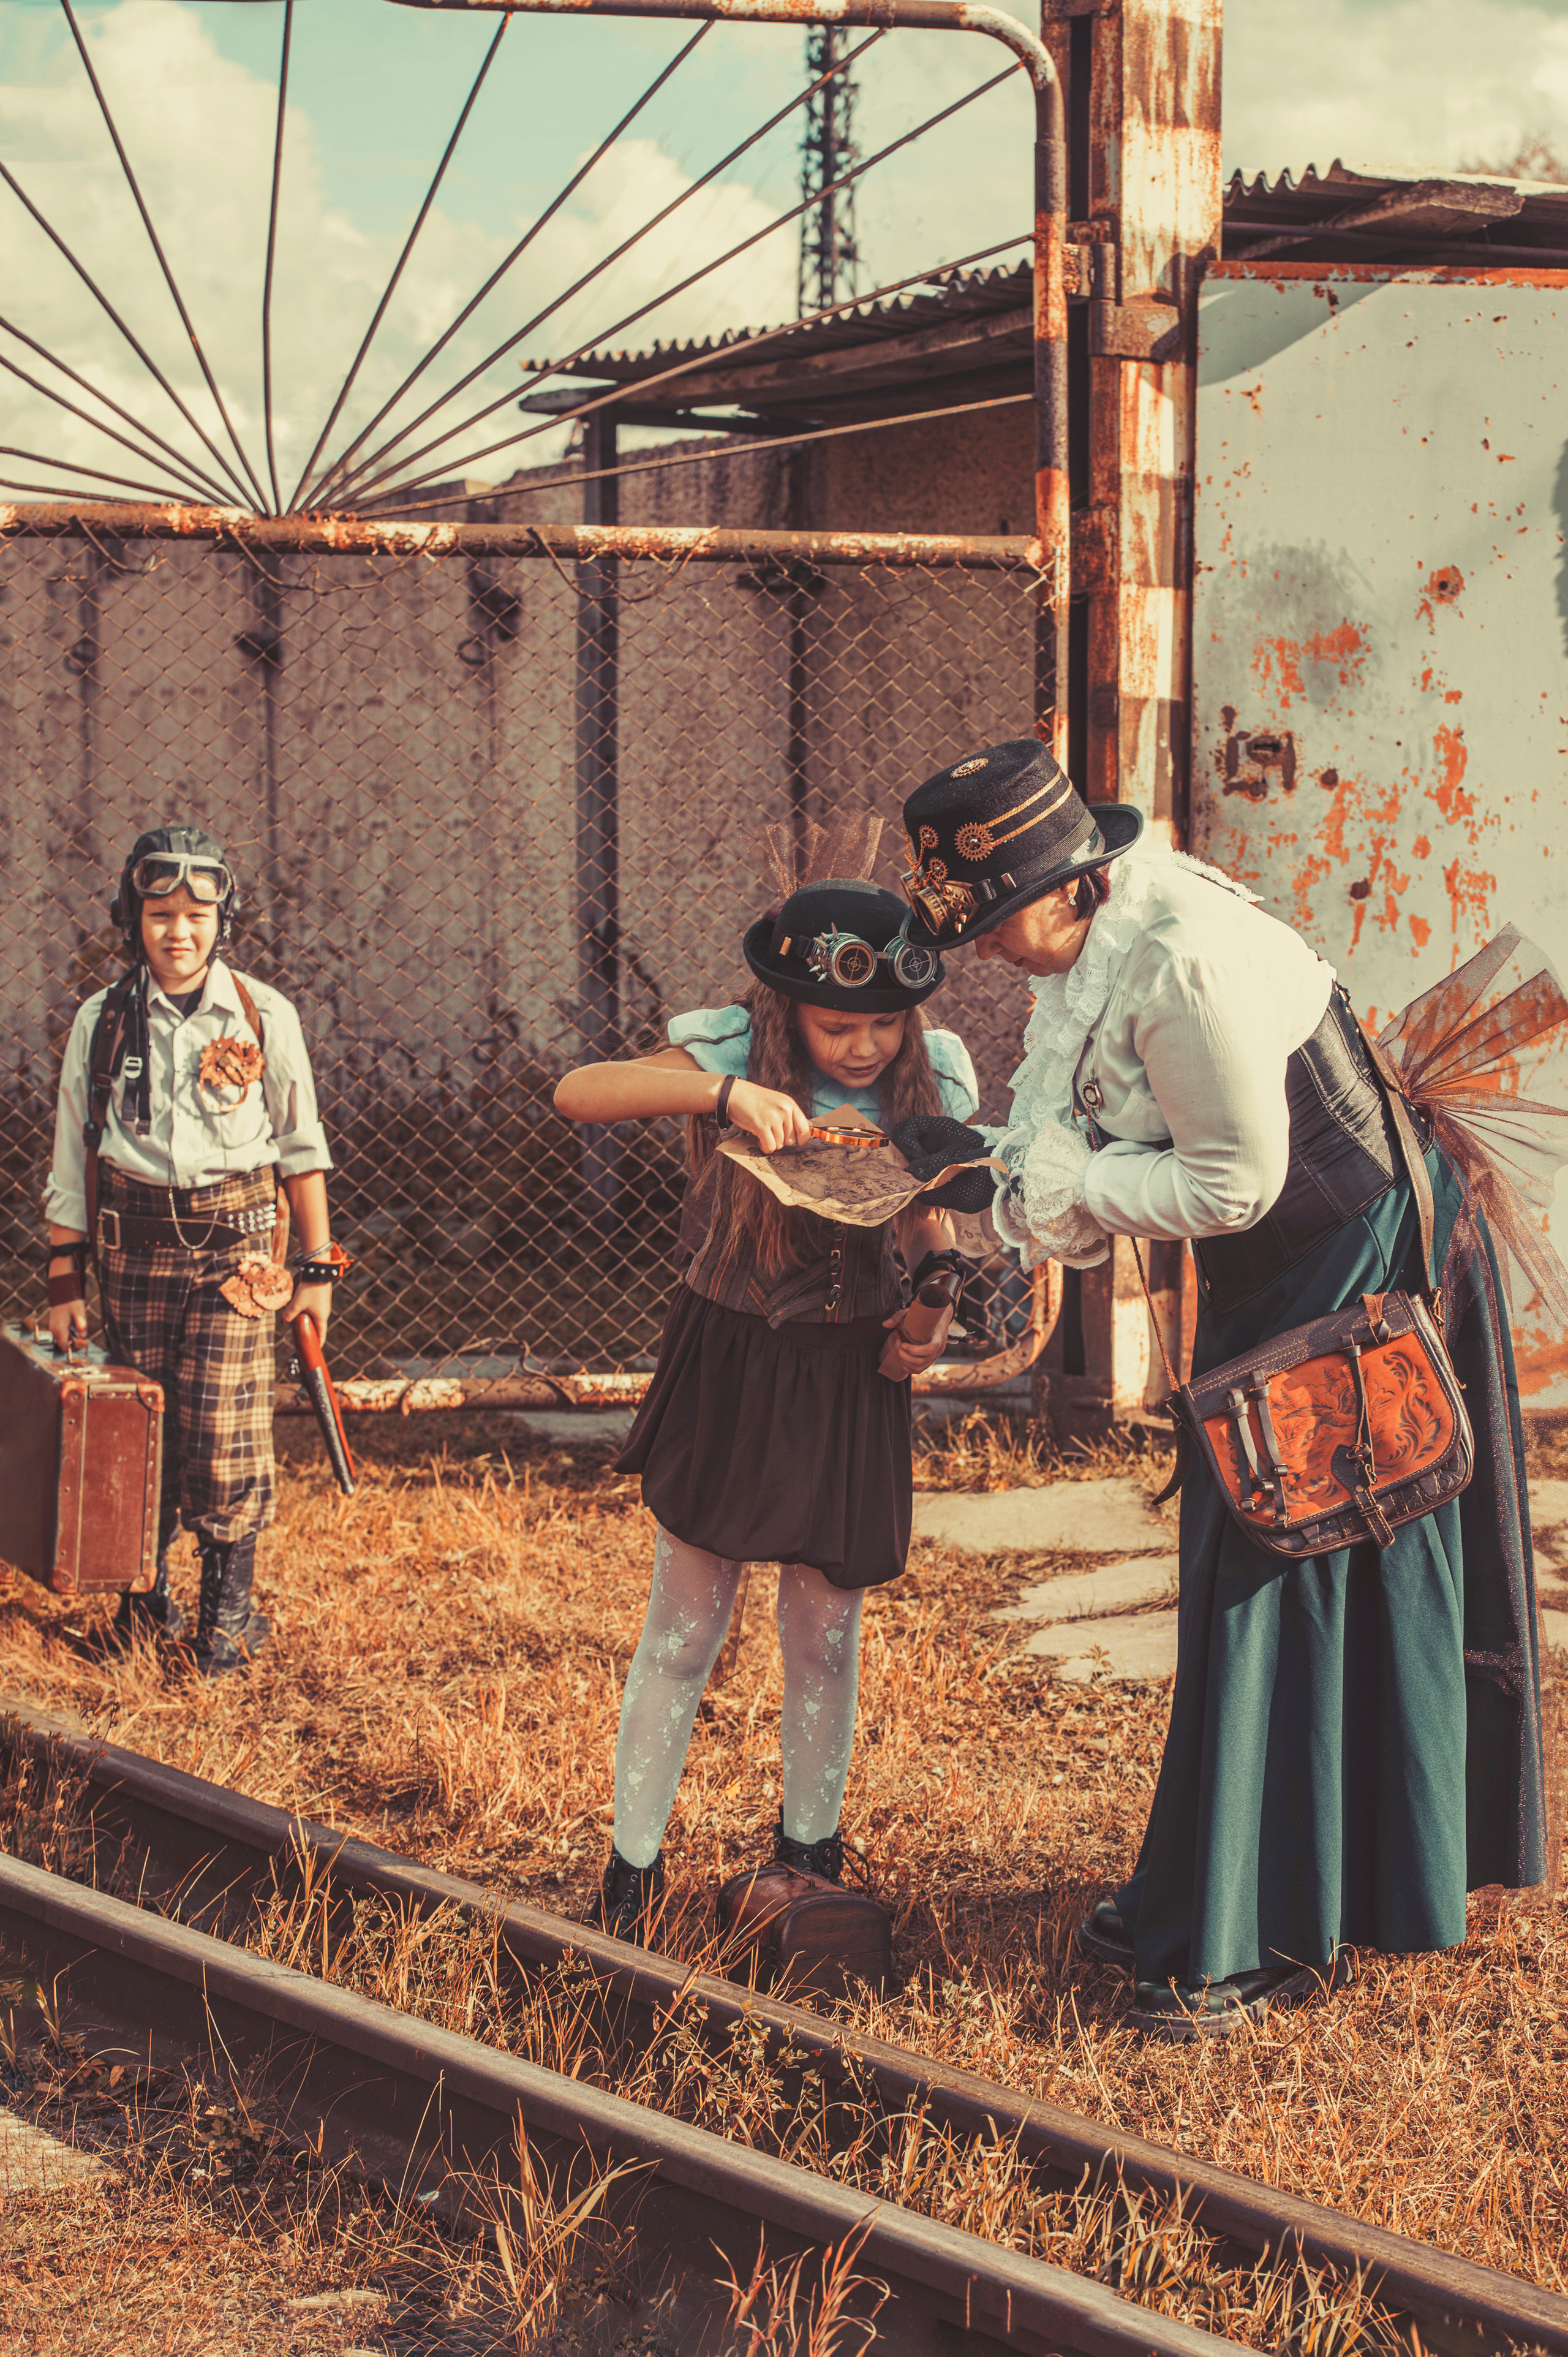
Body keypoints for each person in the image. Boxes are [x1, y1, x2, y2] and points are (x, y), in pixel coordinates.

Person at [900, 737, 1548, 2037]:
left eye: (984, 918)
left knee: (1280, 1563)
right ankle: (1217, 1880)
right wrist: (1002, 1168)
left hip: (1342, 1259)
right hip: (1284, 1256)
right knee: (1245, 1563)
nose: (976, 948)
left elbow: (1226, 1186)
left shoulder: (1177, 958)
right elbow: (1137, 1142)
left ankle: (1265, 1934)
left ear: (1062, 883)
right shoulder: (1108, 936)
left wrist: (1058, 1186)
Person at [554, 866, 979, 1943]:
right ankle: (632, 1870)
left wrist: (935, 1296)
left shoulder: (935, 1076)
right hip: (737, 1356)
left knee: (827, 1630)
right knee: (688, 1627)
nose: (865, 1048)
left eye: (886, 1025)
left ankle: (808, 1860)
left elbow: (932, 1216)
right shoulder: (735, 1047)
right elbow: (580, 1093)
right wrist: (720, 1093)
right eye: (840, 1025)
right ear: (790, 1008)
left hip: (852, 1369)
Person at [44, 825, 337, 1678]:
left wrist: (316, 1269)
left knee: (223, 1426)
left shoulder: (261, 1013)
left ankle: (227, 1617)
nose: (178, 932)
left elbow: (300, 1145)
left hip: (235, 1259)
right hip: (130, 1254)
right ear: (132, 919)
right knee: (138, 1427)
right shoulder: (101, 1023)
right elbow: (73, 1153)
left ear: (222, 922)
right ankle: (142, 1604)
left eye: (195, 916)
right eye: (160, 913)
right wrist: (65, 1276)